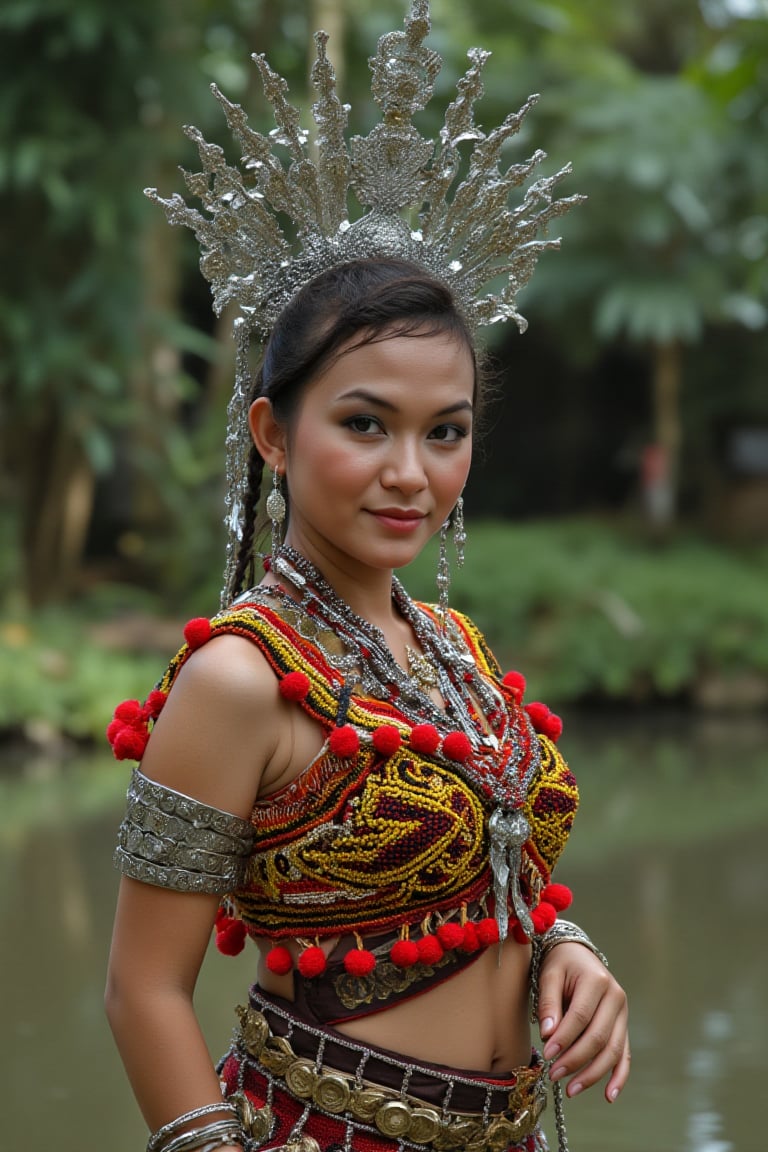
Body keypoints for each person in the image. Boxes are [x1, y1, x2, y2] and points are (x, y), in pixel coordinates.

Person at [105, 7, 629, 1152]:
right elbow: (142, 992)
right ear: (274, 435)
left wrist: (569, 951)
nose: (410, 473)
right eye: (364, 424)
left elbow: (488, 875)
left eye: (445, 432)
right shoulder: (241, 680)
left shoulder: (454, 647)